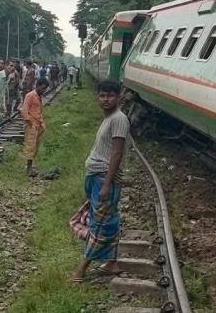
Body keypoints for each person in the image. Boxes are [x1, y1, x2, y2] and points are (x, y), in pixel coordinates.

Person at [70, 80, 129, 282]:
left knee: (100, 224)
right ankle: (111, 263)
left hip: (105, 178)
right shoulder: (109, 118)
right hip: (97, 176)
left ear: (118, 97)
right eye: (102, 95)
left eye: (110, 95)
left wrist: (106, 184)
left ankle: (81, 270)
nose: (106, 99)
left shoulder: (119, 119)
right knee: (105, 221)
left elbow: (117, 153)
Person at [21, 77, 48, 177]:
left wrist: (42, 124)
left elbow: (39, 112)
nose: (44, 90)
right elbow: (24, 110)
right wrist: (29, 122)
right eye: (43, 88)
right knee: (30, 146)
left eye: (45, 89)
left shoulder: (39, 96)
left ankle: (31, 166)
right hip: (31, 124)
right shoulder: (30, 95)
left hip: (38, 124)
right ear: (37, 86)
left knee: (35, 146)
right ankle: (28, 169)